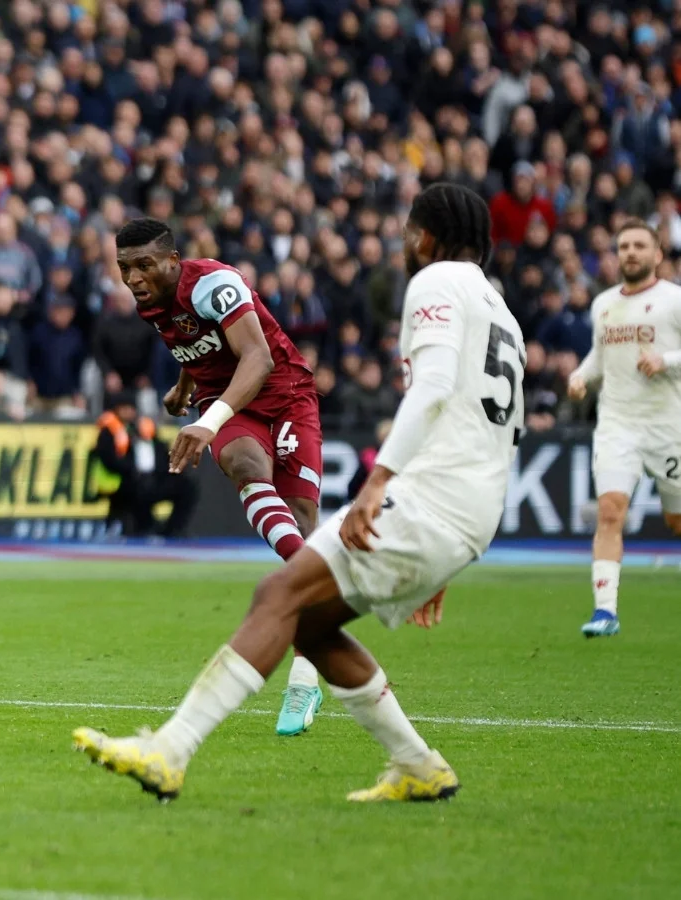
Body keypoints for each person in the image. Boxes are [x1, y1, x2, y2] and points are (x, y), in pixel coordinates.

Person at [74, 183, 524, 802]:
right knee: (306, 620)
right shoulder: (502, 314)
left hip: (407, 483)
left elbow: (432, 389)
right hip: (472, 509)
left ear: (424, 238)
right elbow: (496, 429)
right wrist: (451, 539)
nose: (400, 247)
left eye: (404, 235)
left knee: (278, 595)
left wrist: (379, 485)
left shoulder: (433, 283)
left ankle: (168, 751)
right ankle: (417, 765)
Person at [113, 216, 327, 737]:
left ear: (172, 260)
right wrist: (188, 386)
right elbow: (196, 338)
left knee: (301, 519)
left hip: (284, 392)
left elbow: (254, 354)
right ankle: (320, 582)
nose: (134, 277)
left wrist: (206, 424)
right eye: (124, 268)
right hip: (226, 403)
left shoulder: (214, 282)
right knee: (242, 463)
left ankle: (307, 672)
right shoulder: (149, 302)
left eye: (144, 265)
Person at [567, 219, 681, 637]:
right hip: (617, 424)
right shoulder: (604, 304)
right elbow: (598, 357)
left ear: (657, 255)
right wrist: (581, 378)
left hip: (669, 427)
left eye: (639, 246)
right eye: (624, 246)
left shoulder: (673, 300)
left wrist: (666, 361)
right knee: (611, 511)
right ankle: (605, 612)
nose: (630, 252)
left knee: (677, 522)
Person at [92, 391, 198, 538]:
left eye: (130, 408)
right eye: (123, 408)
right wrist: (134, 470)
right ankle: (145, 529)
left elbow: (162, 453)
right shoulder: (109, 431)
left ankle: (170, 531)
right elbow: (109, 460)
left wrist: (168, 470)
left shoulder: (145, 428)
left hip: (153, 478)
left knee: (187, 487)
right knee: (139, 494)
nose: (128, 412)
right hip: (125, 483)